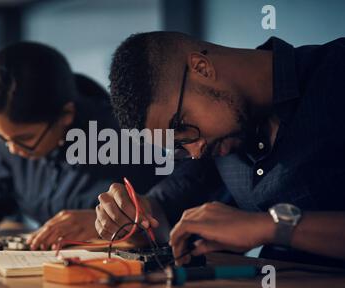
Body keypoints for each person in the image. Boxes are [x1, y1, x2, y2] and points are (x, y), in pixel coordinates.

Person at [95, 31, 345, 267]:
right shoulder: (220, 141)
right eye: (178, 146)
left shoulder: (335, 73)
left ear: (202, 68)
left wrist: (270, 227)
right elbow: (163, 208)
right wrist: (132, 215)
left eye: (180, 126)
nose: (195, 151)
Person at [0, 42, 160, 250]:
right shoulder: (15, 139)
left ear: (66, 115)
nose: (12, 150)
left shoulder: (124, 138)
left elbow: (164, 212)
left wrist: (103, 221)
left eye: (24, 139)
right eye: (2, 137)